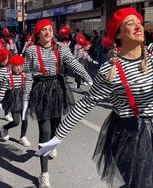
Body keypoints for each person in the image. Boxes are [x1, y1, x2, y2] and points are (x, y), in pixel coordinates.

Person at [36, 7, 153, 188]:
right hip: (129, 135)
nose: (138, 27)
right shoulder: (110, 70)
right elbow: (86, 103)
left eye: (139, 23)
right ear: (119, 34)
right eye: (131, 24)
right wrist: (58, 136)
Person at [23, 19, 93, 188]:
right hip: (40, 90)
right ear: (38, 34)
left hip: (57, 88)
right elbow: (28, 74)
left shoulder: (61, 48)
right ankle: (44, 174)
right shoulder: (32, 50)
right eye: (44, 30)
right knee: (44, 131)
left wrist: (88, 78)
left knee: (56, 125)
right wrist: (25, 97)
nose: (48, 33)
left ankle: (53, 142)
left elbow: (74, 64)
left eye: (50, 29)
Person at [0, 55, 30, 146]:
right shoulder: (7, 77)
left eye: (20, 66)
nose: (19, 68)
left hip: (23, 99)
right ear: (12, 66)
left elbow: (28, 87)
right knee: (16, 121)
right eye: (17, 66)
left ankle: (23, 137)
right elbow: (3, 89)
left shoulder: (24, 75)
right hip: (13, 100)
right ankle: (5, 127)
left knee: (25, 119)